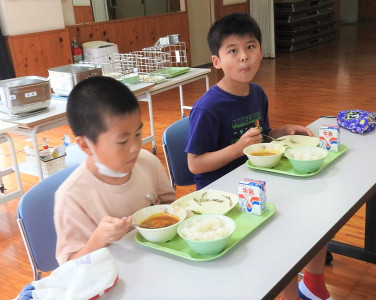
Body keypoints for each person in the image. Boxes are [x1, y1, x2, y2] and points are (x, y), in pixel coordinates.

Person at [185, 13, 332, 300]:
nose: (244, 58)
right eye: (233, 51)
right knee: (281, 235)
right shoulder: (207, 108)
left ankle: (313, 284)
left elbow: (260, 137)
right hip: (220, 197)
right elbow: (195, 164)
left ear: (261, 52)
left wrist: (282, 131)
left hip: (255, 180)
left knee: (320, 211)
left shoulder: (257, 94)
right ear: (217, 62)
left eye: (250, 47)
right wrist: (237, 149)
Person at [54, 76, 175, 265]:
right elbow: (70, 266)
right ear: (86, 145)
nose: (135, 146)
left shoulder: (147, 162)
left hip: (161, 262)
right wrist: (99, 239)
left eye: (138, 134)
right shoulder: (71, 198)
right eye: (122, 141)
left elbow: (171, 205)